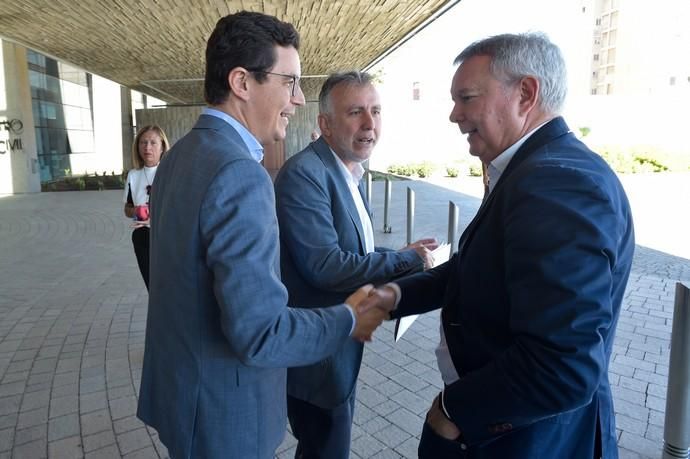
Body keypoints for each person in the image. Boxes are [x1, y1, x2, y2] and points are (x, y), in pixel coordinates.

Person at [362, 32, 635, 459]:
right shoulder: (531, 168)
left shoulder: (557, 182)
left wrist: (452, 410)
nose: (454, 115)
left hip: (528, 441)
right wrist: (394, 296)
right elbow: (480, 267)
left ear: (525, 93)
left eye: (467, 97)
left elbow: (562, 368)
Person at [136, 12, 387, 459]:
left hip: (182, 395)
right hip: (224, 414)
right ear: (242, 82)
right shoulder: (240, 174)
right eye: (289, 81)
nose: (299, 98)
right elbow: (260, 332)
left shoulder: (182, 155)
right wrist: (348, 318)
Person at [274, 71, 438, 459]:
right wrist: (404, 259)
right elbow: (326, 265)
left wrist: (401, 252)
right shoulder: (305, 175)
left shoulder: (347, 170)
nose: (370, 124)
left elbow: (354, 246)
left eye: (376, 111)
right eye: (356, 112)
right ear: (325, 124)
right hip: (318, 356)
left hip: (340, 347)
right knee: (325, 448)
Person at [123, 125, 169, 290]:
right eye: (143, 142)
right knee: (153, 289)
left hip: (168, 237)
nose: (147, 147)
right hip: (142, 238)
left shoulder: (171, 172)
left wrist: (155, 216)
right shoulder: (133, 175)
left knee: (170, 288)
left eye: (153, 142)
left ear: (163, 146)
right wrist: (136, 212)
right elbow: (127, 208)